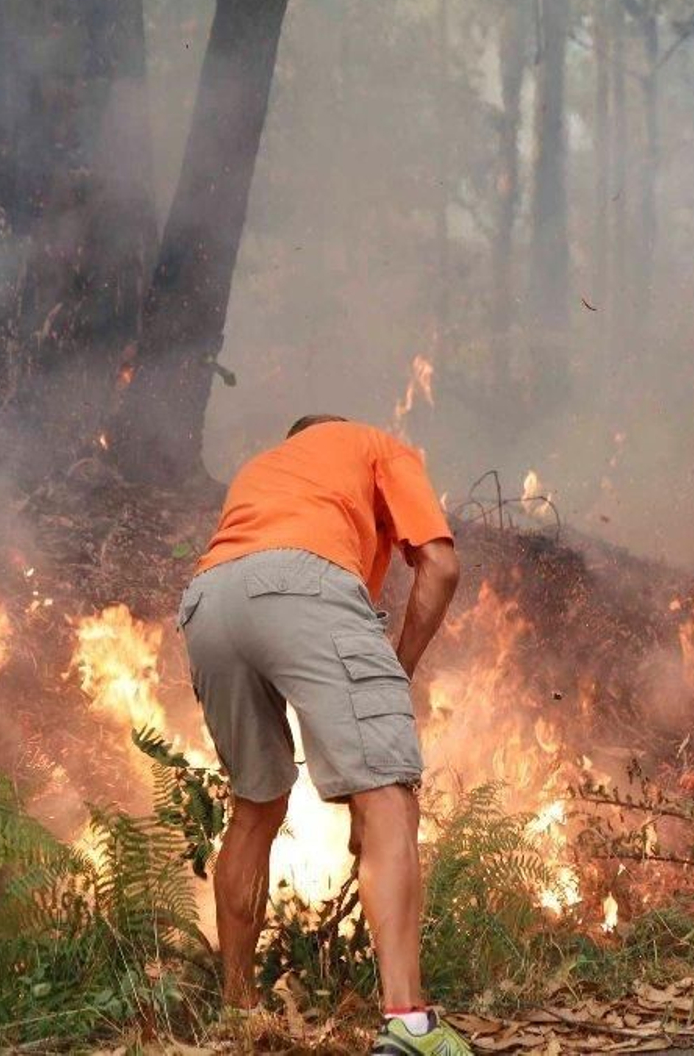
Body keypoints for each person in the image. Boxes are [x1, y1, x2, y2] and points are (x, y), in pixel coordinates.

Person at [177, 415, 473, 1054]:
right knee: (389, 793)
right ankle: (409, 1025)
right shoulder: (374, 444)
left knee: (255, 809)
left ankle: (238, 1014)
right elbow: (441, 568)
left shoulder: (266, 469)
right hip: (301, 582)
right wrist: (398, 673)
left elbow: (269, 597)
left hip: (207, 602)